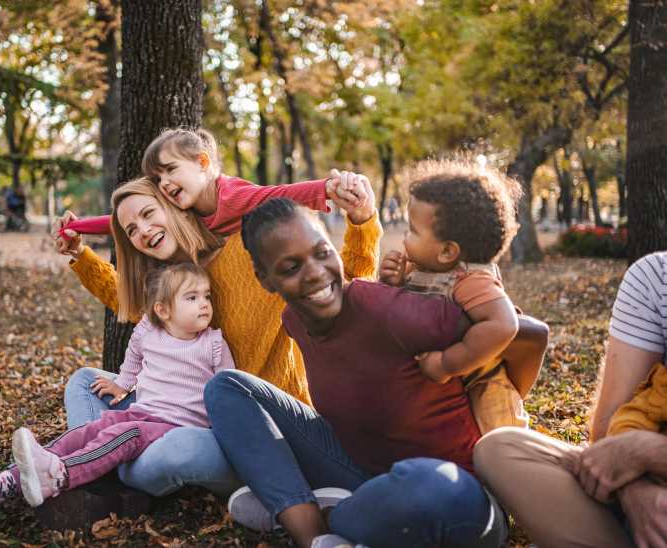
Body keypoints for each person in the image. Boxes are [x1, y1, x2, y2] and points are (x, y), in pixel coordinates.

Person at [204, 198, 547, 548]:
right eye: (291, 268)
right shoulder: (294, 321)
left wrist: (498, 399)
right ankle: (316, 538)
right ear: (265, 280)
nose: (315, 273)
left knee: (428, 483)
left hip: (457, 494)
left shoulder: (388, 310)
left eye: (322, 252)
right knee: (227, 387)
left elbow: (531, 335)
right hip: (360, 473)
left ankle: (318, 513)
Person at [53, 173, 381, 502]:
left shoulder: (248, 253)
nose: (143, 232)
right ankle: (96, 470)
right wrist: (80, 255)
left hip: (247, 431)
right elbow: (134, 303)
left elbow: (345, 285)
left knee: (180, 449)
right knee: (85, 382)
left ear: (176, 209)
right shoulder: (175, 275)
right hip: (174, 411)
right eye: (131, 229)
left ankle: (103, 473)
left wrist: (362, 221)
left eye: (149, 215)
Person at [0, 263, 236, 516]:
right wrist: (122, 383)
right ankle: (1, 485)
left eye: (206, 296)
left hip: (176, 425)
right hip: (141, 411)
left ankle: (61, 475)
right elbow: (134, 355)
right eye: (192, 298)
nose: (204, 304)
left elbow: (228, 391)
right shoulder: (150, 330)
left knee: (122, 435)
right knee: (90, 430)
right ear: (163, 310)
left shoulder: (211, 343)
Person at [474, 251, 667, 548]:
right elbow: (613, 429)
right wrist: (636, 492)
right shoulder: (656, 275)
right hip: (638, 487)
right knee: (499, 448)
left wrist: (647, 451)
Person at [379, 159, 533, 434]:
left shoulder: (469, 279)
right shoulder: (423, 267)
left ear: (448, 252)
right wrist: (394, 283)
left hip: (481, 382)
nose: (404, 238)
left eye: (412, 231)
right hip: (434, 388)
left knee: (499, 440)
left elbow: (503, 324)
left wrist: (448, 362)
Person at [141, 127, 359, 235]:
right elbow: (125, 218)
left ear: (202, 162)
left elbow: (278, 195)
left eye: (170, 169)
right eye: (157, 178)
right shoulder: (175, 211)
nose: (164, 183)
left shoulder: (232, 197)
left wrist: (328, 187)